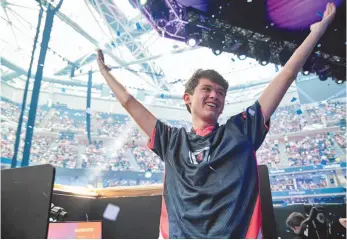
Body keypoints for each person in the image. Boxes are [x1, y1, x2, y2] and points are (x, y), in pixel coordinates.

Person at [97, 3, 336, 238]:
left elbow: (286, 75)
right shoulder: (171, 141)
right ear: (187, 98)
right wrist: (105, 74)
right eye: (208, 89)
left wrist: (316, 33)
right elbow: (129, 102)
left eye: (221, 92)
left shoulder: (241, 131)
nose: (215, 95)